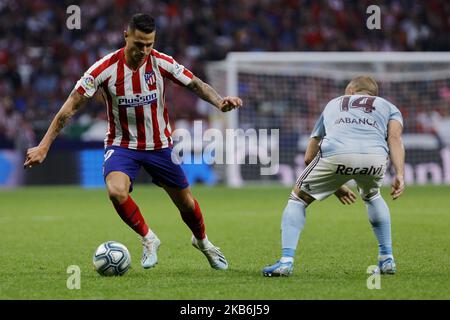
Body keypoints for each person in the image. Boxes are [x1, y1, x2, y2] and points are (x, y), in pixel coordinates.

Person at [24, 14, 242, 271]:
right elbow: (70, 108)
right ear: (125, 35)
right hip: (122, 145)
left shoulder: (161, 63)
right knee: (116, 191)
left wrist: (219, 102)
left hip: (160, 145)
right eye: (139, 44)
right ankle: (148, 238)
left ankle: (203, 242)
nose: (144, 50)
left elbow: (195, 83)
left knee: (186, 203)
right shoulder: (102, 70)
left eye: (149, 44)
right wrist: (44, 145)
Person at [262, 75, 405, 277]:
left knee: (298, 198)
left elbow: (309, 156)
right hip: (375, 157)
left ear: (352, 91)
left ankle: (286, 261)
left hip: (337, 154)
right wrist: (400, 173)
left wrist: (336, 186)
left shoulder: (333, 104)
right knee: (372, 195)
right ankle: (387, 258)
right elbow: (395, 138)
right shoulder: (389, 107)